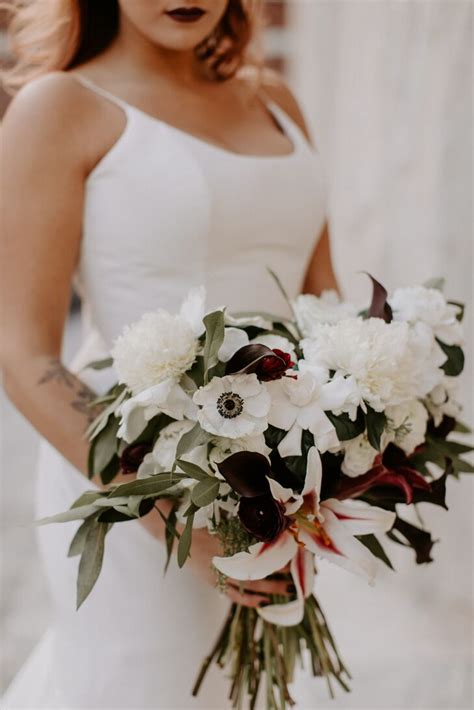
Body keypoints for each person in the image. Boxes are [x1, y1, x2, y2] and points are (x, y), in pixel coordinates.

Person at [0, 1, 339, 707]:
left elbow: (323, 305)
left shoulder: (273, 97)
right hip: (130, 479)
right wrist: (181, 522)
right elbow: (22, 351)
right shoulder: (59, 107)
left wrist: (349, 458)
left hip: (277, 481)